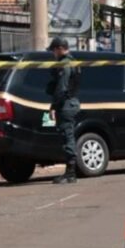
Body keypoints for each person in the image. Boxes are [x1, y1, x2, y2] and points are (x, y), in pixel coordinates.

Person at [45, 37, 80, 184]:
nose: (53, 54)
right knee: (68, 136)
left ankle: (71, 173)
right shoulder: (73, 61)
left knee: (67, 137)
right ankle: (70, 172)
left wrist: (54, 106)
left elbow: (62, 88)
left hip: (66, 104)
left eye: (54, 50)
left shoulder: (65, 64)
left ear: (60, 49)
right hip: (70, 103)